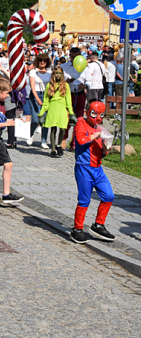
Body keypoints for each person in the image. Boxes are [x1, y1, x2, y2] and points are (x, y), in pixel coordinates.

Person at [71, 102, 116, 244]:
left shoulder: (99, 128)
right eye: (94, 113)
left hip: (98, 169)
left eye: (101, 115)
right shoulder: (80, 124)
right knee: (84, 200)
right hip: (84, 168)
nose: (97, 117)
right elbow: (80, 140)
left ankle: (98, 224)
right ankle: (77, 229)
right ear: (86, 112)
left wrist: (105, 146)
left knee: (109, 196)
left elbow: (102, 153)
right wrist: (95, 135)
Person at [38, 66, 73, 158]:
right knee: (53, 129)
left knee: (62, 128)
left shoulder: (66, 85)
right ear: (53, 74)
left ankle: (58, 144)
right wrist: (41, 113)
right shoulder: (49, 85)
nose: (58, 75)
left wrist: (71, 112)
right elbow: (46, 101)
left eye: (60, 73)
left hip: (62, 108)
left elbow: (68, 100)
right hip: (52, 108)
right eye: (56, 73)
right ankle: (53, 150)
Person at [29, 53, 52, 148]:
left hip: (46, 95)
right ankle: (30, 135)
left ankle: (43, 140)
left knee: (45, 120)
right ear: (37, 61)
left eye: (44, 61)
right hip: (35, 95)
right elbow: (33, 88)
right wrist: (38, 99)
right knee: (35, 119)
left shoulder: (50, 72)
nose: (42, 62)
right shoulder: (33, 72)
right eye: (40, 60)